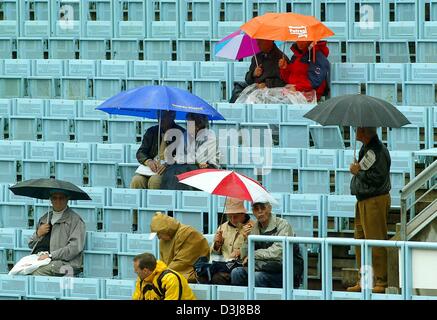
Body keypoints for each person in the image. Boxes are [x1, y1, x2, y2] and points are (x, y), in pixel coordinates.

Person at [347, 127, 391, 294]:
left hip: (374, 200)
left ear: (365, 131)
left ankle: (381, 280)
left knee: (375, 239)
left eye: (358, 128)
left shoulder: (378, 151)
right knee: (361, 241)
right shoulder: (366, 149)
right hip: (363, 200)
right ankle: (365, 279)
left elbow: (378, 178)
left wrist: (358, 172)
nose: (355, 130)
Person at [230, 200, 302, 288]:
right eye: (256, 209)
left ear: (270, 208)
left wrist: (254, 254)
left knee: (258, 277)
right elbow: (244, 256)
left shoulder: (283, 225)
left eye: (263, 208)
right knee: (236, 272)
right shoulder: (254, 228)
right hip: (262, 267)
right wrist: (246, 238)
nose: (260, 211)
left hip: (284, 270)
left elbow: (279, 252)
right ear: (253, 212)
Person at [28, 191, 86, 276]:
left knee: (37, 272)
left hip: (67, 264)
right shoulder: (44, 218)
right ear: (50, 200)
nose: (58, 201)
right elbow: (31, 244)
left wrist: (51, 256)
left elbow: (74, 248)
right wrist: (38, 233)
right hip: (43, 258)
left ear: (67, 199)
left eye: (61, 198)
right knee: (21, 270)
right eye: (54, 198)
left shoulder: (76, 220)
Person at [160, 112, 220, 190]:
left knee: (180, 172)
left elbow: (200, 158)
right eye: (187, 122)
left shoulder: (210, 136)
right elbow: (179, 155)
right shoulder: (185, 135)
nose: (187, 125)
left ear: (198, 125)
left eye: (189, 123)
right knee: (170, 171)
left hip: (208, 167)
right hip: (189, 165)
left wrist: (180, 159)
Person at [130, 110, 185, 189]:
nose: (161, 119)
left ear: (173, 116)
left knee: (155, 180)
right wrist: (148, 161)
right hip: (151, 168)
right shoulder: (151, 131)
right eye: (159, 116)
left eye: (164, 116)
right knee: (136, 180)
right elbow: (141, 152)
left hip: (170, 170)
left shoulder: (182, 133)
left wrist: (168, 164)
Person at [150, 212, 210, 283]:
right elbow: (162, 262)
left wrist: (162, 273)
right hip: (169, 273)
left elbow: (183, 262)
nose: (159, 238)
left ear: (165, 230)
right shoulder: (164, 240)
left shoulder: (188, 233)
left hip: (189, 274)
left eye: (158, 234)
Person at [209, 198, 254, 285]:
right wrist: (217, 244)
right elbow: (214, 253)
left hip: (242, 267)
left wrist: (246, 241)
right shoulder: (223, 227)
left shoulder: (253, 226)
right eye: (230, 216)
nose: (233, 219)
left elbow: (257, 249)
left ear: (243, 214)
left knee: (219, 278)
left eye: (236, 216)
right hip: (224, 266)